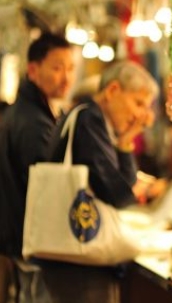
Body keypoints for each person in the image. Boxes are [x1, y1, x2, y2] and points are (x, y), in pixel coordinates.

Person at [36, 60, 159, 303]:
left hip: (75, 259)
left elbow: (120, 188)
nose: (141, 116)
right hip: (78, 264)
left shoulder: (91, 120)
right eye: (138, 103)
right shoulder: (89, 120)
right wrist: (126, 142)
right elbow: (119, 194)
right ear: (112, 90)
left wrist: (126, 139)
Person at [0, 33, 74, 303]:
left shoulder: (27, 111)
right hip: (31, 242)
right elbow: (49, 189)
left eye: (70, 68)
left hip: (19, 239)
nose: (66, 77)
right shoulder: (33, 122)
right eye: (57, 68)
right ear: (33, 70)